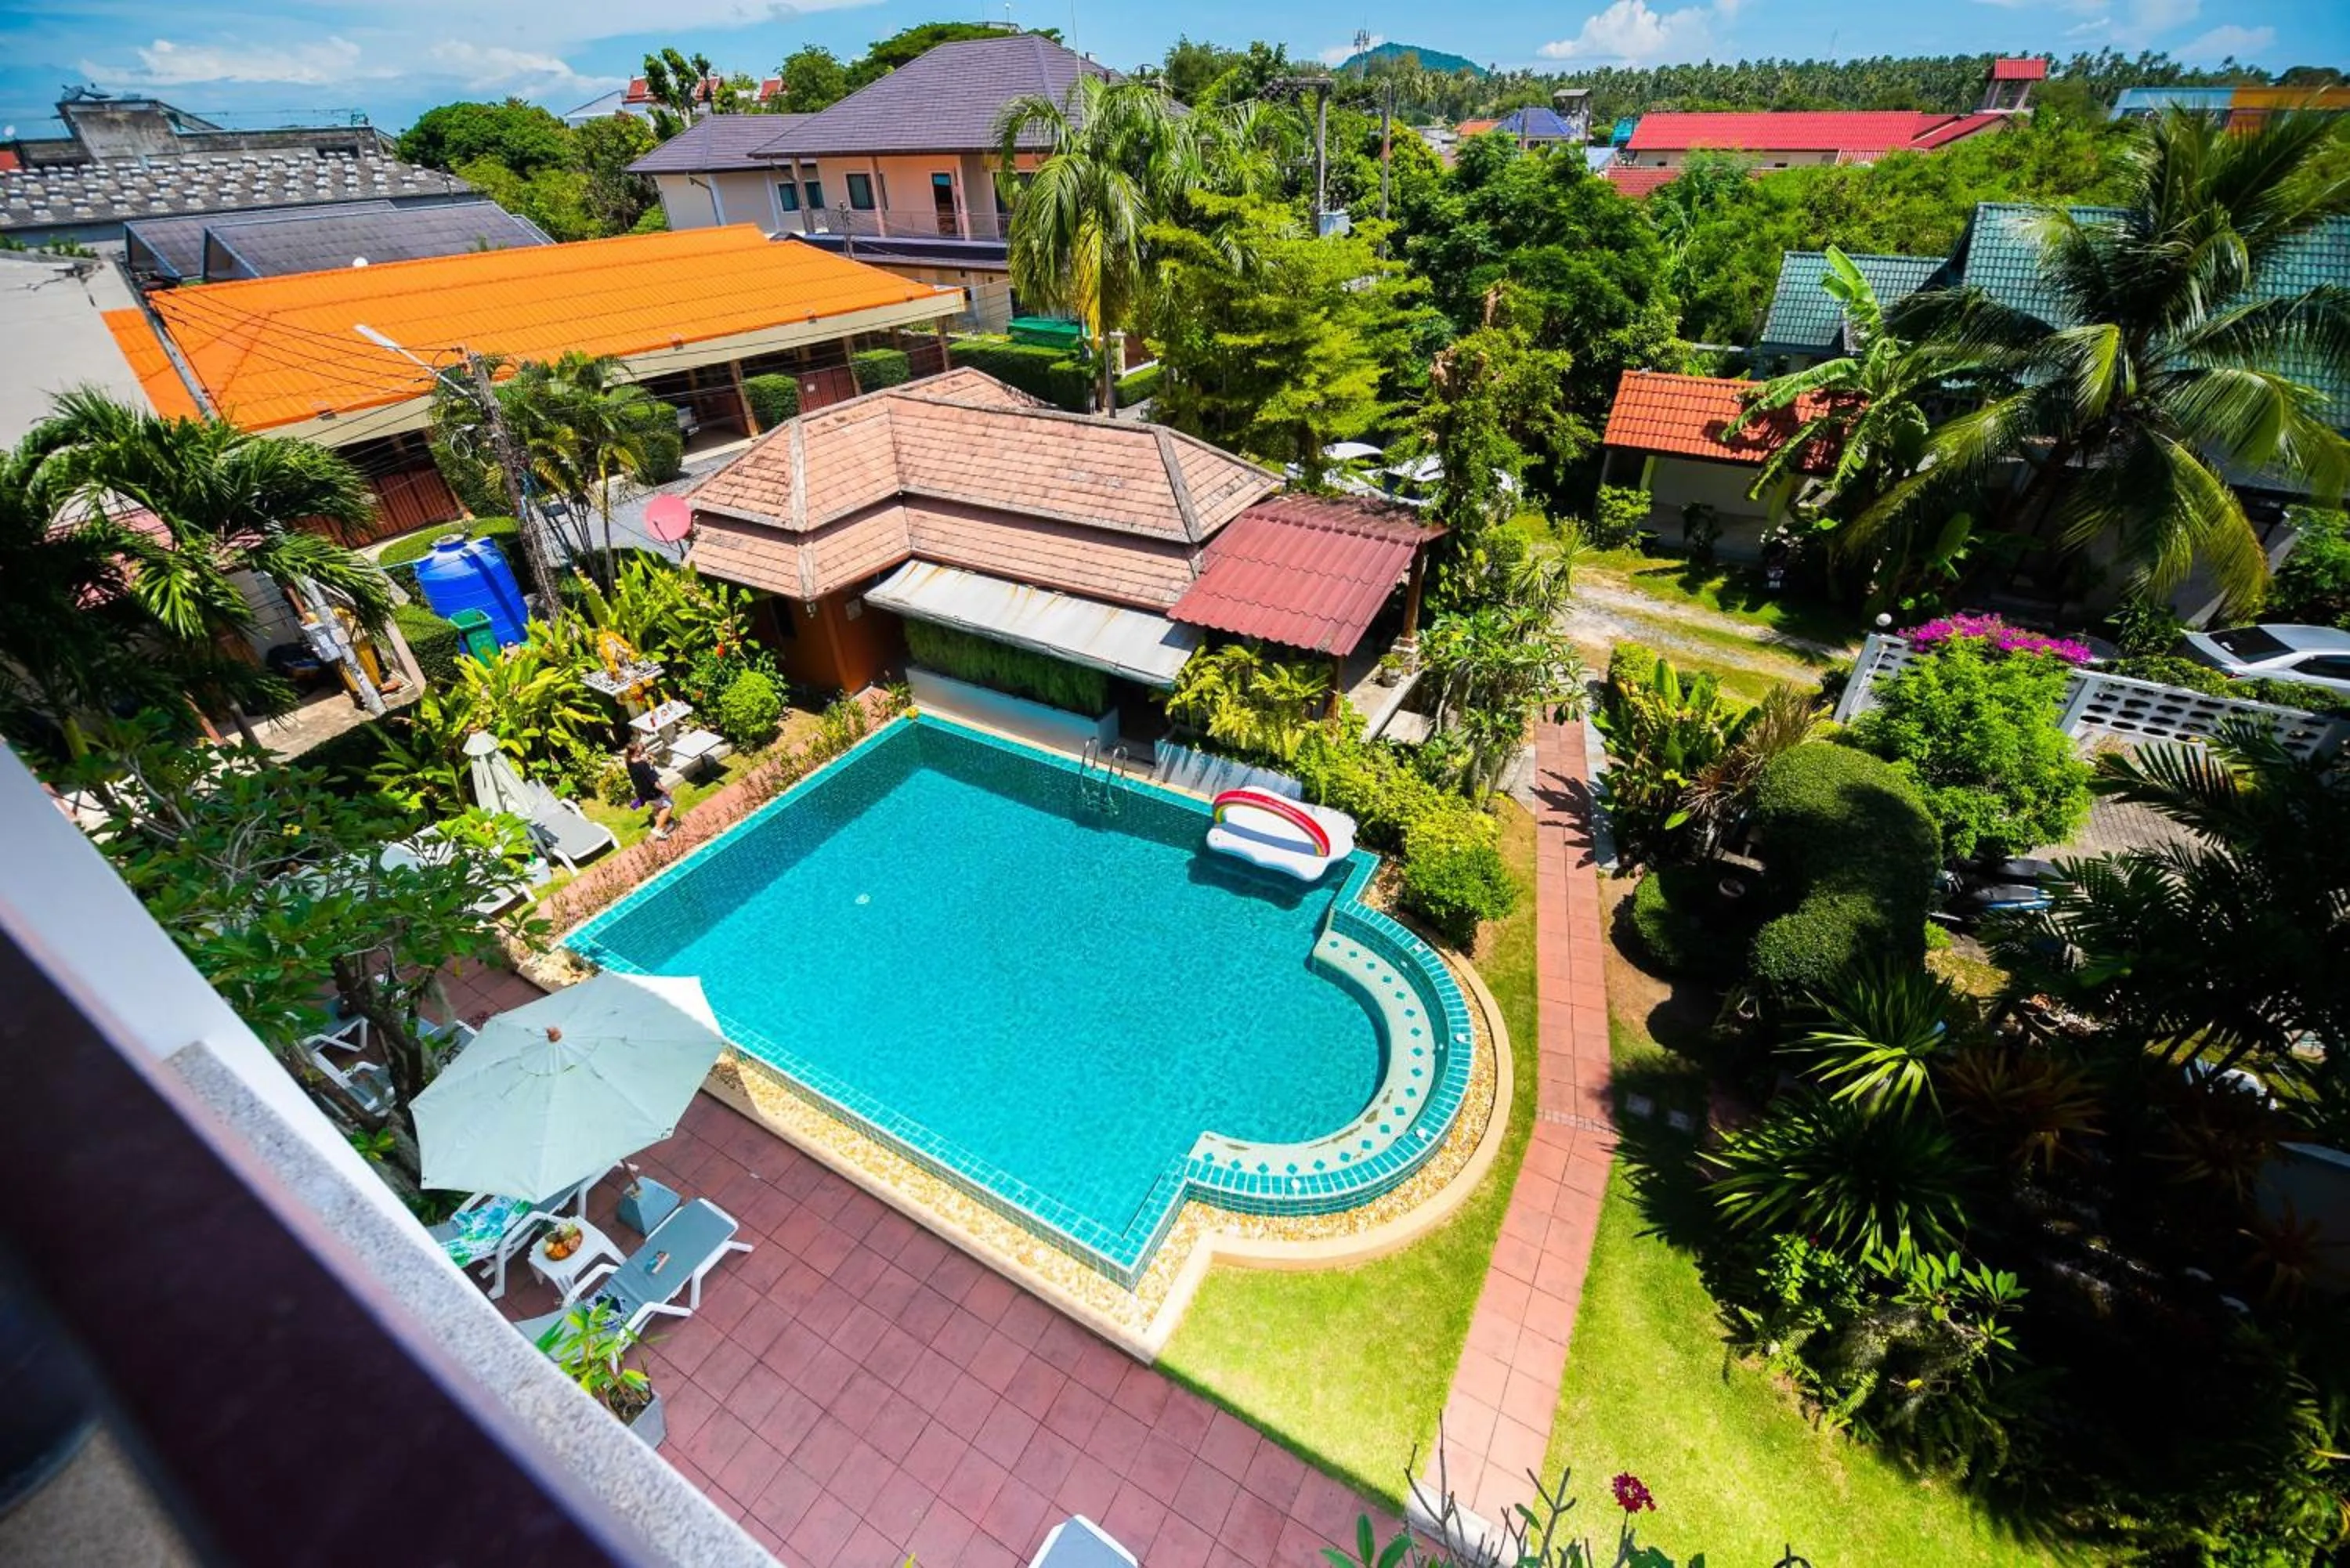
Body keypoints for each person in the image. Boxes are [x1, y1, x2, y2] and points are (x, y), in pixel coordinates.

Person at [624, 742, 674, 840]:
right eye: (639, 747)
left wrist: (646, 759)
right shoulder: (643, 764)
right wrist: (666, 790)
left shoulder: (629, 761)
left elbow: (638, 762)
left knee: (657, 809)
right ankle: (657, 829)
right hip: (653, 793)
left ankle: (663, 828)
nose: (641, 746)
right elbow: (654, 783)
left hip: (644, 794)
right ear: (637, 751)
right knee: (669, 805)